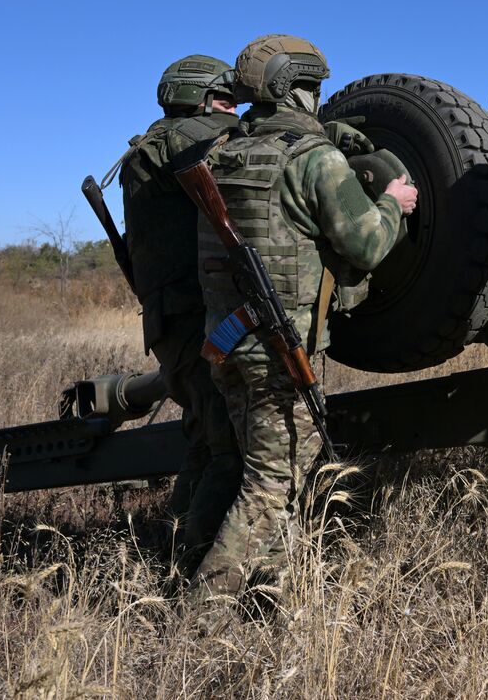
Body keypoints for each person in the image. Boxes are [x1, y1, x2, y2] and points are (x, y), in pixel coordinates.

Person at [189, 34, 418, 601]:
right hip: (276, 345)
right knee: (273, 482)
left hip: (225, 339)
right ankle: (201, 616)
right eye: (314, 88)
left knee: (261, 469)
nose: (319, 99)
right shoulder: (313, 159)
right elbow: (366, 245)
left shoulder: (219, 156)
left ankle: (275, 597)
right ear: (295, 90)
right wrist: (393, 202)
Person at [117, 54, 243, 574]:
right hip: (194, 318)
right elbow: (249, 152)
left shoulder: (148, 149)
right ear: (202, 100)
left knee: (204, 440)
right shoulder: (183, 141)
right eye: (228, 101)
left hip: (171, 320)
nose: (237, 112)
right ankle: (196, 574)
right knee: (228, 452)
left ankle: (172, 554)